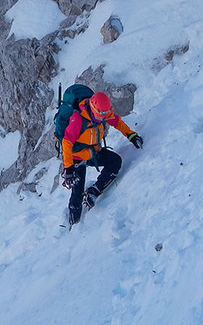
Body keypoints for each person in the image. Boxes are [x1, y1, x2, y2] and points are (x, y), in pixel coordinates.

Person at [61, 91, 143, 226]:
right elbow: (66, 142)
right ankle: (72, 226)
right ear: (93, 109)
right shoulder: (77, 119)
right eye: (99, 117)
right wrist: (69, 168)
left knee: (115, 162)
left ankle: (94, 191)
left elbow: (116, 121)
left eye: (103, 117)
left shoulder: (103, 112)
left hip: (93, 152)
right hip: (77, 159)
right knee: (77, 194)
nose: (101, 119)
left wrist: (131, 135)